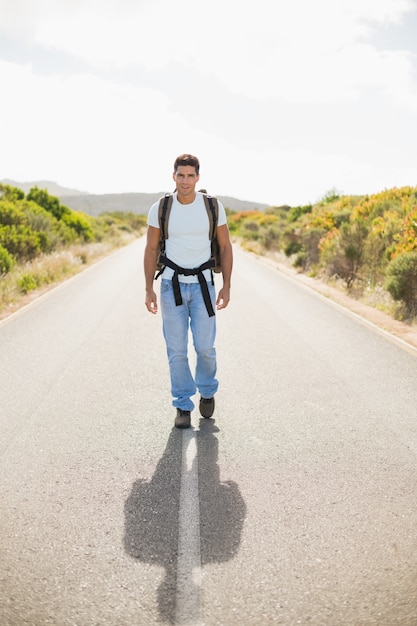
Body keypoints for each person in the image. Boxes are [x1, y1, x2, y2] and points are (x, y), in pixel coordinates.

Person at [144, 154, 233, 429]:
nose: (185, 181)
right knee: (176, 349)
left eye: (190, 175)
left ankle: (207, 390)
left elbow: (226, 246)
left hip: (204, 285)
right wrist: (149, 288)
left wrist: (227, 285)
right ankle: (182, 404)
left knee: (205, 347)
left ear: (198, 177)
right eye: (180, 175)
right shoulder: (161, 208)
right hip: (171, 286)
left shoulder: (212, 206)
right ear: (173, 176)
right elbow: (150, 249)